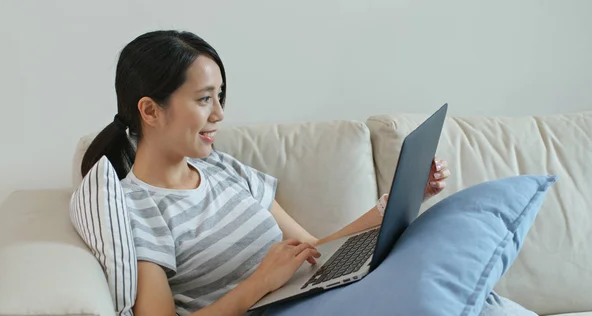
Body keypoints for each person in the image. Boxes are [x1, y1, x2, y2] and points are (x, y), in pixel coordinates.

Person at [80, 30, 536, 316]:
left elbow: (314, 249)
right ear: (150, 110)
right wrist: (260, 282)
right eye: (204, 99)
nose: (220, 114)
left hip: (310, 294)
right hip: (274, 307)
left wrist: (394, 202)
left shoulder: (220, 167)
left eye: (221, 96)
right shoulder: (135, 208)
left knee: (460, 276)